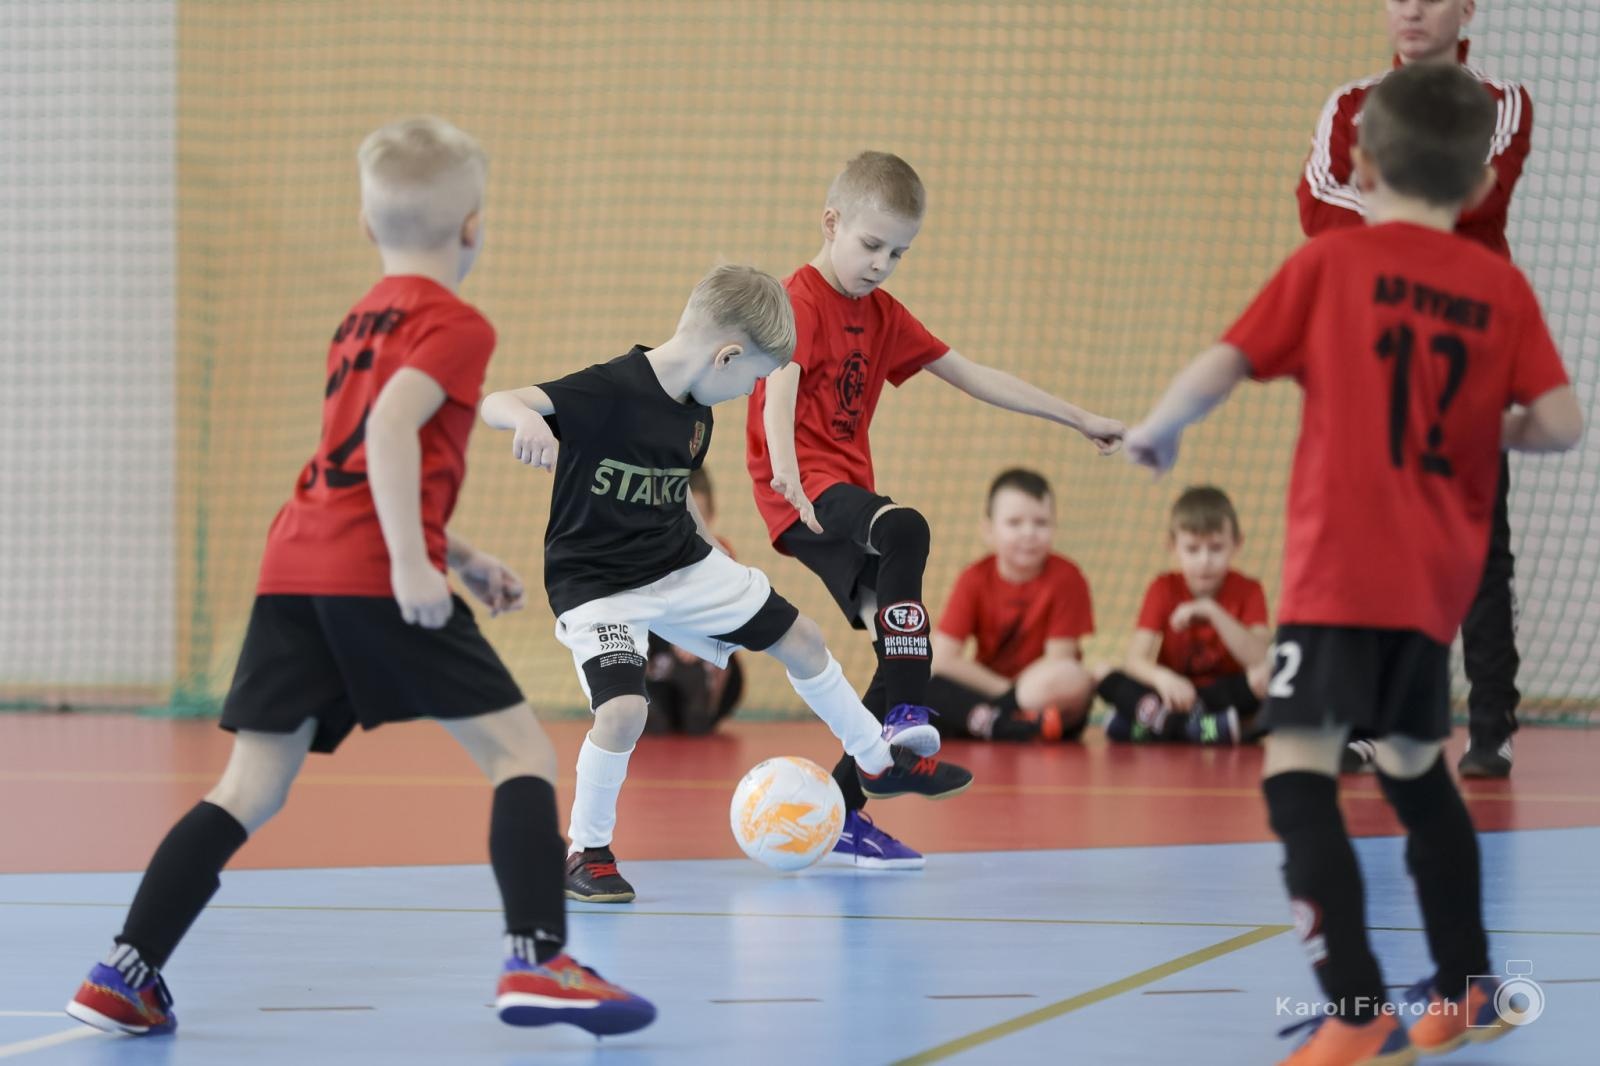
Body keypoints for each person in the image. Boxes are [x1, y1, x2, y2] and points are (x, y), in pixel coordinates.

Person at [65, 118, 655, 1039]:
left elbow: (353, 466)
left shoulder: (357, 320)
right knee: (521, 756)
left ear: (365, 223)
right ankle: (540, 961)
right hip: (370, 570)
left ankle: (123, 972)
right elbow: (386, 431)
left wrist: (461, 556)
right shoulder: (458, 324)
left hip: (293, 564)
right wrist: (416, 564)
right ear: (473, 227)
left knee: (249, 788)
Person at [1127, 63, 1579, 1064]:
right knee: (1416, 770)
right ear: (1478, 186)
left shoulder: (1330, 263)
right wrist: (1483, 426)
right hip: (1433, 590)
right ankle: (1465, 987)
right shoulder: (1500, 287)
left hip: (1338, 578)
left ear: (1361, 166)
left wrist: (1161, 427)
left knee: (1296, 776)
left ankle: (1357, 1003)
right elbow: (1559, 423)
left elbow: (1227, 360)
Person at [480, 263, 972, 903]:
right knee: (624, 712)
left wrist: (717, 558)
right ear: (727, 356)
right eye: (754, 379)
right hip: (599, 585)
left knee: (803, 639)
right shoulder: (610, 388)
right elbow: (499, 401)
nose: (752, 392)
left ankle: (877, 763)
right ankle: (586, 851)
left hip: (682, 563)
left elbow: (673, 489)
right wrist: (526, 421)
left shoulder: (696, 411)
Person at [748, 150, 1123, 869]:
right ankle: (906, 723)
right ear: (830, 223)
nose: (882, 264)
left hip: (837, 489)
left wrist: (1079, 418)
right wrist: (788, 471)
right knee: (905, 527)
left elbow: (972, 374)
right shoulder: (797, 299)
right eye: (871, 245)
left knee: (898, 640)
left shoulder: (882, 315)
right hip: (802, 489)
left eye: (898, 253)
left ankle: (842, 811)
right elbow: (782, 381)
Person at [1299, 0, 1534, 779]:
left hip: (1467, 358)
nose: (1410, 9)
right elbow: (1316, 205)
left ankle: (1492, 726)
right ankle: (1370, 721)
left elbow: (1479, 198)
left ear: (1465, 8)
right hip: (1373, 360)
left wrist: (1380, 209)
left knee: (1478, 548)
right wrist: (1419, 210)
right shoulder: (1349, 104)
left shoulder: (1500, 102)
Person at [925, 468, 1096, 745]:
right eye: (1014, 523)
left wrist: (1018, 694)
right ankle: (1009, 724)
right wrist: (1007, 691)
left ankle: (990, 720)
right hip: (991, 689)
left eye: (1041, 523)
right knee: (923, 684)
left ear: (1054, 526)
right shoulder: (973, 578)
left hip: (1042, 694)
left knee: (1073, 677)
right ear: (988, 530)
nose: (1029, 533)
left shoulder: (1067, 577)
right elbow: (943, 659)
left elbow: (1058, 659)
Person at [1095, 486, 1271, 746]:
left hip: (1222, 695)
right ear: (1172, 546)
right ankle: (1197, 729)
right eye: (1192, 549)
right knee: (1102, 673)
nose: (1204, 560)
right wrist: (1162, 678)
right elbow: (1135, 660)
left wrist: (1212, 611)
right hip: (1173, 694)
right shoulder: (1162, 588)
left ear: (1237, 544)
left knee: (1267, 675)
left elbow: (1259, 658)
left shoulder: (1250, 590)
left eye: (1216, 548)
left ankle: (1152, 726)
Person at [643, 469, 745, 734]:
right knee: (654, 722)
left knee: (696, 720)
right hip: (664, 654)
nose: (693, 526)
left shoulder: (721, 554)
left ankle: (702, 703)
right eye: (687, 516)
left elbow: (727, 612)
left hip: (704, 653)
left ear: (711, 515)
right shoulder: (654, 553)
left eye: (700, 516)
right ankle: (652, 702)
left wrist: (698, 640)